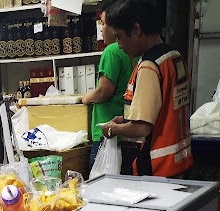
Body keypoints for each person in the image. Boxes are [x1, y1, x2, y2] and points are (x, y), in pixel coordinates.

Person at [100, 0, 193, 178]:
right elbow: (163, 109)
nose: (119, 45)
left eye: (119, 36)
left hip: (157, 168)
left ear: (136, 29)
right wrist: (125, 118)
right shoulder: (173, 56)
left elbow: (142, 128)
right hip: (180, 160)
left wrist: (113, 129)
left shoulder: (149, 66)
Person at [81, 1, 135, 170]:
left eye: (104, 23)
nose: (101, 29)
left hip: (107, 131)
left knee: (99, 184)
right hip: (124, 130)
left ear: (115, 28)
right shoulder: (132, 51)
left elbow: (104, 91)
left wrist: (84, 98)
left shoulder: (111, 51)